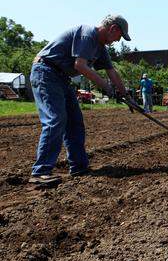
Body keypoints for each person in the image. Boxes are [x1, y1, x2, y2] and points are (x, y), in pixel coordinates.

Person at [29, 15, 130, 185]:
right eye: (120, 36)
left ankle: (79, 166)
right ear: (113, 29)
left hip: (62, 77)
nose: (118, 40)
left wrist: (125, 95)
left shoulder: (100, 48)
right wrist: (107, 88)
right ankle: (40, 172)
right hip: (46, 71)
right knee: (56, 119)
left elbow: (112, 72)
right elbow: (80, 65)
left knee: (75, 122)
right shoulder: (87, 34)